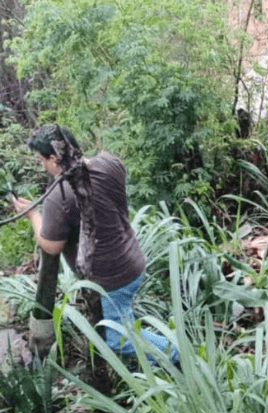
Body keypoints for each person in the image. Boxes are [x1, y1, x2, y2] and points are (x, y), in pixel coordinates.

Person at [13, 124, 178, 364]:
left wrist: (32, 215)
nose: (43, 166)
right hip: (133, 259)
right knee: (119, 319)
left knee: (117, 338)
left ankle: (176, 356)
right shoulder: (108, 162)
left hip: (112, 281)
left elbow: (50, 247)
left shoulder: (58, 196)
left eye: (42, 161)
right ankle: (141, 365)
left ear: (54, 158)